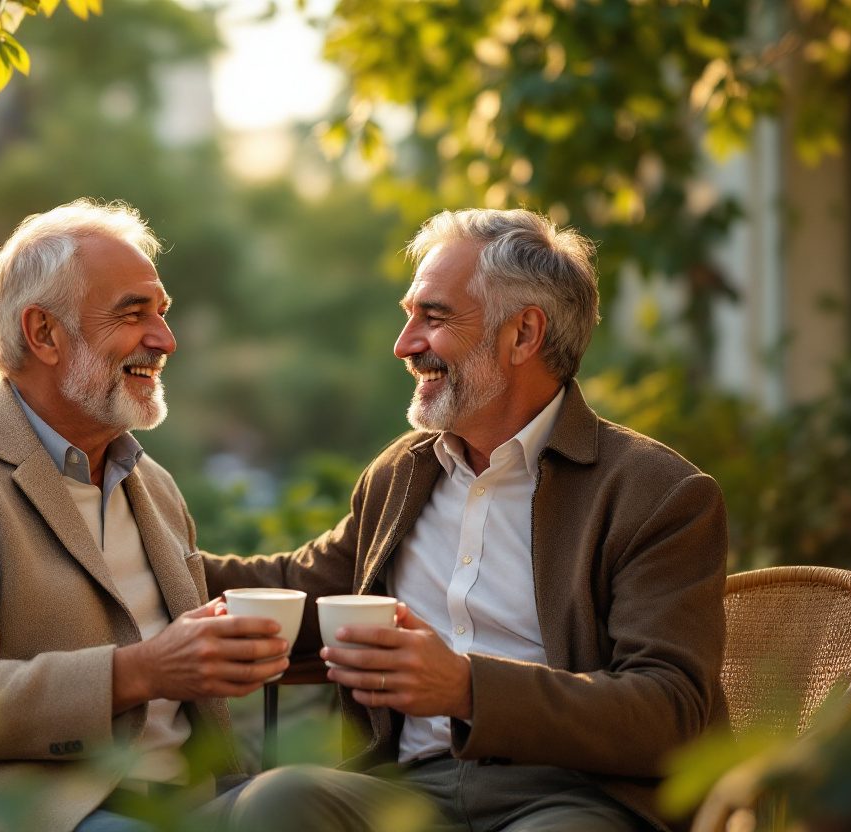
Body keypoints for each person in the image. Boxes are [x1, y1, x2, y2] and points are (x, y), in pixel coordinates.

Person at [206, 208, 729, 832]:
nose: (404, 345)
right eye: (409, 317)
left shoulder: (657, 493)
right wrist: (129, 557)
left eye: (433, 317)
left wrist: (465, 688)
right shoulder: (402, 474)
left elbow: (668, 712)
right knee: (277, 800)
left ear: (522, 335)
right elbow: (297, 582)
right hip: (408, 795)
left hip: (574, 797)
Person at [0, 199, 289, 832]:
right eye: (132, 313)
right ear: (43, 334)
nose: (165, 340)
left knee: (311, 803)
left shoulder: (157, 487)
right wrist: (138, 672)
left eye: (163, 314)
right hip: (55, 813)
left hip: (201, 805)